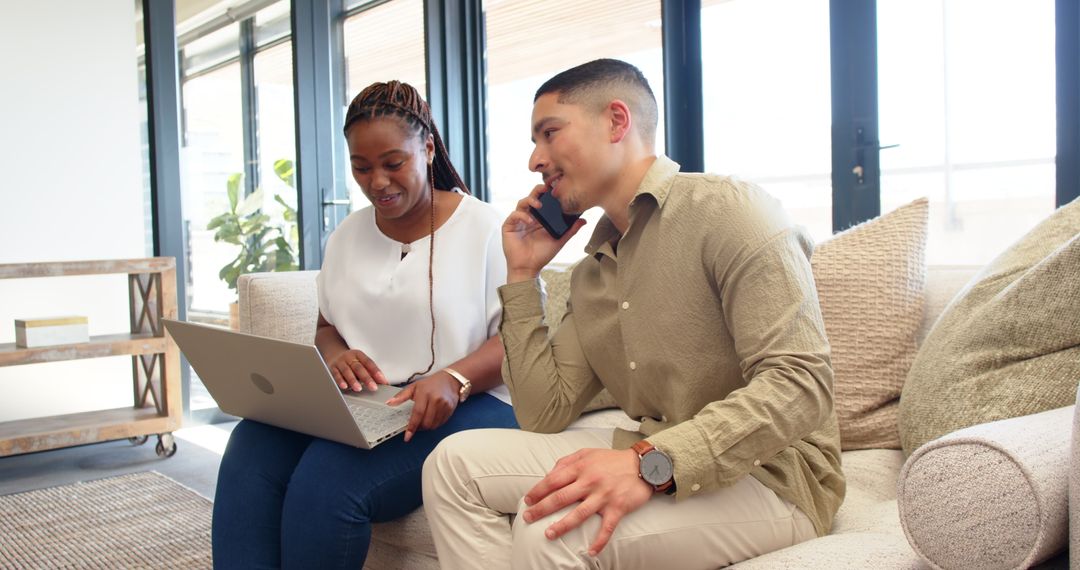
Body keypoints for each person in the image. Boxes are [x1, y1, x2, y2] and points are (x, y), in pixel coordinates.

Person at [421, 59, 845, 568]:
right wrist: (521, 277)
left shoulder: (733, 212)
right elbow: (542, 412)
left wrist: (650, 464)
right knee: (451, 465)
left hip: (772, 474)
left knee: (554, 532)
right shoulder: (594, 273)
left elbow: (801, 383)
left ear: (617, 122)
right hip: (652, 445)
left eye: (550, 133)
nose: (536, 160)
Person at [211, 80, 518, 569]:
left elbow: (519, 339)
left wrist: (455, 378)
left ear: (428, 148)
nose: (377, 181)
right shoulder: (349, 234)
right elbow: (327, 325)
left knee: (326, 485)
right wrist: (335, 355)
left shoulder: (485, 229)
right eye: (361, 167)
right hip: (372, 406)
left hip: (473, 402)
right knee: (251, 445)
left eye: (393, 163)